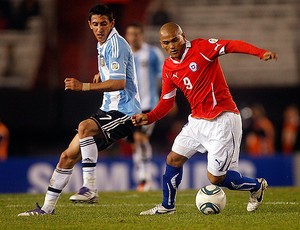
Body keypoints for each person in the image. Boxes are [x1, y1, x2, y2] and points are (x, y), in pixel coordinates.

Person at [132, 22, 278, 215]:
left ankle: (256, 186)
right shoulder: (168, 67)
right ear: (162, 44)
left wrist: (260, 53)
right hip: (197, 122)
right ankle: (168, 206)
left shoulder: (202, 48)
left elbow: (232, 44)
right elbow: (167, 102)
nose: (172, 45)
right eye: (166, 42)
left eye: (175, 39)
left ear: (183, 36)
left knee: (216, 179)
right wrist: (148, 117)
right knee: (173, 159)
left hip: (223, 120)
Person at [18, 4, 141, 216]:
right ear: (89, 25)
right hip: (108, 109)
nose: (100, 28)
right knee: (67, 156)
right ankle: (47, 209)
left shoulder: (116, 44)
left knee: (84, 127)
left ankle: (90, 188)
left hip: (125, 112)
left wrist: (83, 86)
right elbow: (116, 73)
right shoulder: (103, 44)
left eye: (104, 24)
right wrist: (101, 75)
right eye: (95, 24)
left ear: (112, 23)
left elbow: (119, 83)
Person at [125, 22, 164, 191]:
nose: (133, 37)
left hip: (150, 104)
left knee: (141, 138)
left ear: (142, 35)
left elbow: (164, 77)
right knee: (135, 142)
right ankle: (143, 176)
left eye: (136, 34)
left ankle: (144, 178)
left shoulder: (152, 53)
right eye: (130, 34)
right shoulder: (123, 54)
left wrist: (167, 99)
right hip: (128, 106)